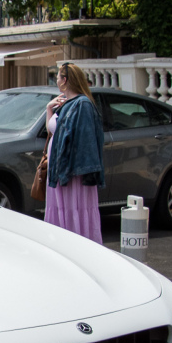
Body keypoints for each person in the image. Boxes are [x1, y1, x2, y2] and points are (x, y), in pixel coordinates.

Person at [42, 62, 105, 243]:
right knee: (61, 209)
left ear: (65, 80)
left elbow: (85, 141)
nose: (56, 80)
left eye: (58, 77)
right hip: (60, 170)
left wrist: (71, 170)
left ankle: (77, 248)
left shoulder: (82, 104)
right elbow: (52, 130)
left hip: (72, 173)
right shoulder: (66, 103)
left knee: (73, 209)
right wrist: (49, 109)